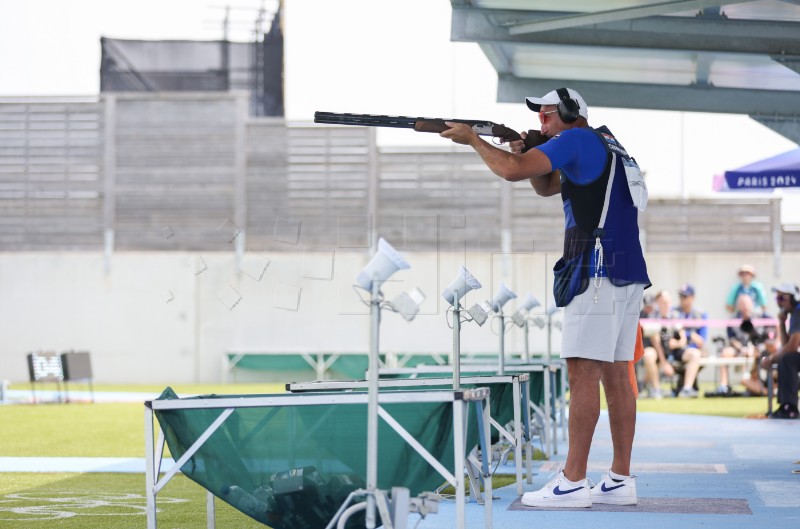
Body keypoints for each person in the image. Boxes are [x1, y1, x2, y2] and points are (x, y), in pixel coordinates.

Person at [440, 87, 650, 507]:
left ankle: (572, 482)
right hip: (627, 269)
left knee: (581, 371)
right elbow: (545, 184)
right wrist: (530, 151)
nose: (542, 125)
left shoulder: (575, 140)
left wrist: (474, 140)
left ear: (570, 114)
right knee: (617, 375)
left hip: (595, 269)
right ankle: (619, 479)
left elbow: (512, 171)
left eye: (547, 116)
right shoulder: (610, 146)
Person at [640, 288, 703, 398]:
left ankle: (687, 389)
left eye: (667, 302)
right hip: (659, 351)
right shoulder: (652, 317)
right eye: (662, 302)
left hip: (674, 350)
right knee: (648, 354)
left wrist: (678, 344)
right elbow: (655, 341)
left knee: (695, 354)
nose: (665, 305)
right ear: (657, 303)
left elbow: (682, 337)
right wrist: (664, 363)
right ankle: (656, 389)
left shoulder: (676, 315)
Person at [716, 294, 775, 395]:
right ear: (738, 306)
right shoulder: (733, 319)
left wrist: (755, 348)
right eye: (742, 304)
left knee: (762, 354)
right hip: (739, 348)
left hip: (758, 349)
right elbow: (731, 339)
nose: (745, 307)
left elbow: (770, 332)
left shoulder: (761, 317)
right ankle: (723, 385)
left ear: (752, 305)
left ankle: (759, 383)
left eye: (747, 304)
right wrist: (743, 349)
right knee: (725, 353)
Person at [759, 283, 800, 419]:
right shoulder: (794, 313)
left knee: (787, 359)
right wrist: (782, 323)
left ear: (794, 298)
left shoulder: (799, 311)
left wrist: (771, 358)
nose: (779, 303)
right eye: (777, 299)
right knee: (787, 358)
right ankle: (786, 406)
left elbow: (792, 346)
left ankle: (789, 407)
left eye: (782, 298)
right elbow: (786, 345)